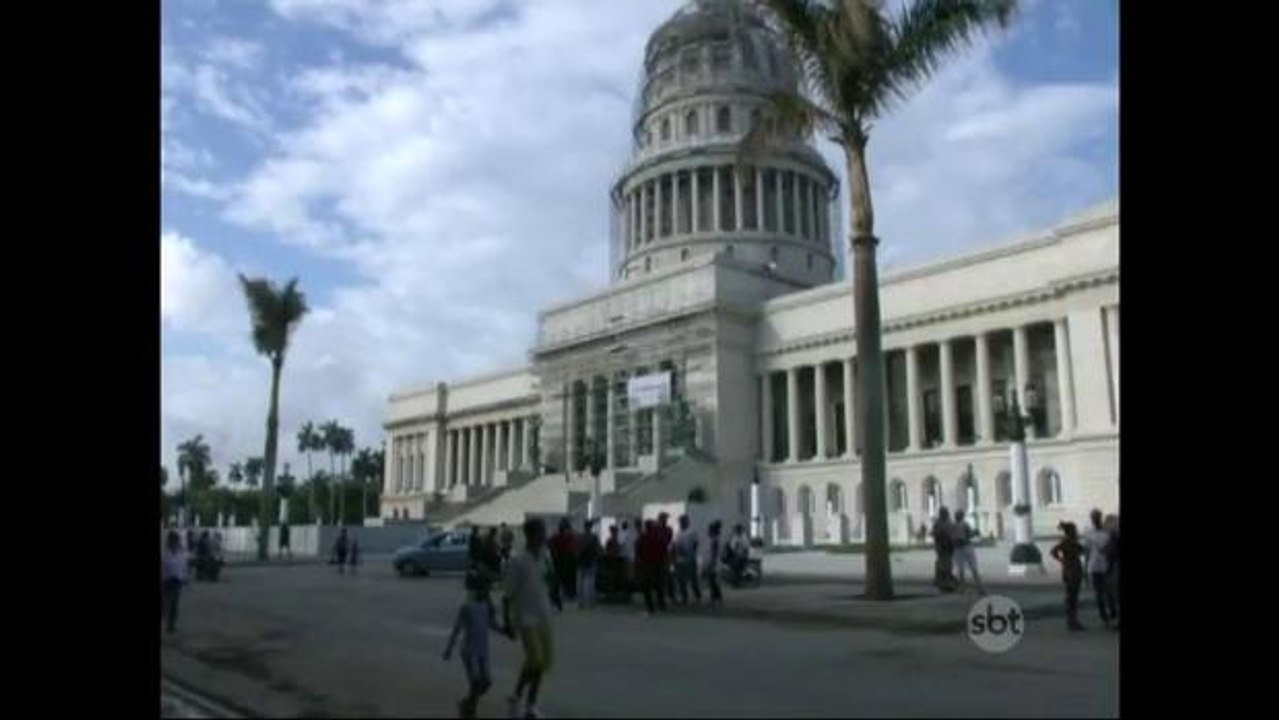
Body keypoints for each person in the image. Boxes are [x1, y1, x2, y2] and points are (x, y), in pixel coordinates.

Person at [502, 519, 556, 719]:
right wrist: (507, 622)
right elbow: (507, 595)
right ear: (531, 535)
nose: (544, 536)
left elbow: (550, 581)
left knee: (542, 663)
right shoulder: (518, 561)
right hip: (526, 618)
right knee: (535, 659)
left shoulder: (545, 556)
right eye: (541, 532)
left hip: (544, 615)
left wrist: (553, 579)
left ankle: (529, 704)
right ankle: (519, 697)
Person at [444, 577, 503, 719]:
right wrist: (449, 648)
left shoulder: (487, 607)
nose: (486, 593)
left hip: (483, 650)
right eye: (484, 590)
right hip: (469, 651)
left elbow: (492, 624)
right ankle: (470, 709)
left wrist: (506, 631)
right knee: (476, 681)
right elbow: (457, 629)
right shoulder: (466, 607)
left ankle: (468, 703)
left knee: (486, 682)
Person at [1083, 509, 1118, 628]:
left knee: (1110, 593)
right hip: (1094, 567)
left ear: (1100, 517)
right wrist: (1085, 569)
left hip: (1107, 566)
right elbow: (1087, 553)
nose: (1095, 519)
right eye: (1093, 517)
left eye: (1097, 517)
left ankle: (1113, 615)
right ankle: (1104, 618)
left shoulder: (1108, 533)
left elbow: (1113, 549)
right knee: (1099, 594)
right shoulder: (1089, 534)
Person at [1050, 521, 1087, 631]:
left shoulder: (1069, 541)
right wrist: (1062, 560)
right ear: (1071, 531)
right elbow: (1053, 551)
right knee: (1072, 597)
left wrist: (1062, 560)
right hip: (1073, 571)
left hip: (1070, 570)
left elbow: (1054, 552)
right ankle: (1072, 621)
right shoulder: (1068, 542)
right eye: (1075, 530)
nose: (1076, 532)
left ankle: (1072, 620)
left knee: (1072, 596)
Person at [636, 519, 667, 616]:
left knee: (647, 587)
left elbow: (638, 550)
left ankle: (650, 607)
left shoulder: (642, 537)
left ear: (646, 527)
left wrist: (640, 562)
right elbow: (664, 550)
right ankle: (661, 605)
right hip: (658, 564)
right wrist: (664, 562)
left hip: (647, 565)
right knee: (659, 585)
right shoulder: (659, 537)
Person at [951, 509, 985, 595]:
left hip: (958, 549)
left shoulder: (953, 526)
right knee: (973, 568)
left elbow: (952, 537)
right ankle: (979, 588)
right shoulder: (965, 524)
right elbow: (969, 535)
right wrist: (975, 532)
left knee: (961, 569)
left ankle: (962, 588)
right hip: (966, 547)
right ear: (962, 516)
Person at [161, 530, 188, 634]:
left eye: (176, 541)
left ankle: (170, 626)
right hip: (167, 581)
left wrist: (184, 578)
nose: (175, 543)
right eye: (173, 541)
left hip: (176, 581)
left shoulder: (181, 553)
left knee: (174, 605)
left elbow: (183, 567)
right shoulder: (165, 553)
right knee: (166, 605)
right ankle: (168, 624)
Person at [672, 514, 702, 605]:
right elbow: (675, 545)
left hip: (690, 560)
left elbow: (696, 544)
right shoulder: (678, 533)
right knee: (681, 581)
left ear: (687, 521)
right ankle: (684, 598)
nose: (681, 523)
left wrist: (692, 554)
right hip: (680, 560)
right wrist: (675, 557)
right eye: (680, 521)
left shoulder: (692, 532)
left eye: (683, 521)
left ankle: (698, 597)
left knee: (693, 580)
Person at [548, 519, 578, 605]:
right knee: (567, 579)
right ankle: (568, 594)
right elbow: (572, 548)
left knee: (559, 579)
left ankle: (557, 595)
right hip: (567, 561)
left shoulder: (556, 537)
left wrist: (554, 553)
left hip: (559, 561)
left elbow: (549, 544)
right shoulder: (570, 537)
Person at [931, 508, 958, 592]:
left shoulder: (940, 523)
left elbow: (934, 534)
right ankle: (945, 582)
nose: (946, 514)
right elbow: (936, 534)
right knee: (945, 564)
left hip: (945, 547)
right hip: (944, 546)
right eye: (945, 513)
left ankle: (943, 581)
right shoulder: (942, 523)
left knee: (944, 563)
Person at [576, 520, 601, 609]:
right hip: (591, 562)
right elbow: (598, 550)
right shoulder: (594, 538)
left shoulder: (579, 537)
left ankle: (580, 603)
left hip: (581, 562)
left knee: (580, 584)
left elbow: (576, 550)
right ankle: (590, 603)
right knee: (590, 584)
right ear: (590, 527)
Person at [1103, 514, 1120, 629]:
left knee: (1116, 597)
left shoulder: (1114, 538)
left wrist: (1105, 550)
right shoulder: (1113, 538)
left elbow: (1110, 553)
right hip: (1114, 567)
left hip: (1115, 568)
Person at [657, 513, 676, 604]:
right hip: (659, 557)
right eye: (664, 519)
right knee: (661, 577)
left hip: (667, 556)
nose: (665, 521)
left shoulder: (668, 529)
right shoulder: (657, 530)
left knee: (669, 577)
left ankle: (670, 595)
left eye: (666, 519)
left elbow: (670, 541)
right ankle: (662, 596)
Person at [704, 521, 724, 608]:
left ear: (712, 531)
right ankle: (715, 599)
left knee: (713, 583)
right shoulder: (714, 539)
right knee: (713, 583)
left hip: (714, 564)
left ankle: (716, 599)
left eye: (709, 530)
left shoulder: (715, 540)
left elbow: (714, 554)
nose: (708, 532)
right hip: (714, 563)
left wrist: (711, 564)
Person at [619, 521, 637, 600]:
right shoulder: (631, 533)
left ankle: (627, 593)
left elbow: (621, 544)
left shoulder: (623, 534)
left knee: (626, 576)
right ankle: (628, 593)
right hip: (630, 557)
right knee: (629, 576)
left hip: (626, 558)